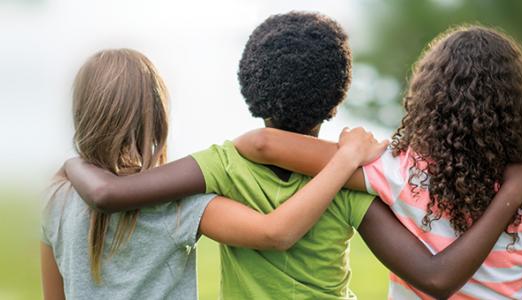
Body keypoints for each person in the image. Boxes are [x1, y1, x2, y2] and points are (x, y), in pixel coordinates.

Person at [63, 15, 522, 299]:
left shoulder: (224, 165)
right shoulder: (352, 177)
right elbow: (433, 276)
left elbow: (111, 193)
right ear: (337, 97)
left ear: (250, 87)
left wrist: (71, 165)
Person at [234, 25, 522, 299]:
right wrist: (513, 194)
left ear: (429, 101)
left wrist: (351, 152)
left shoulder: (399, 171)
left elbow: (263, 143)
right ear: (518, 112)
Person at [40, 48, 389, 299]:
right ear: (157, 117)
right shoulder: (177, 206)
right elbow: (275, 233)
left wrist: (72, 163)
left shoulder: (54, 201)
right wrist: (345, 159)